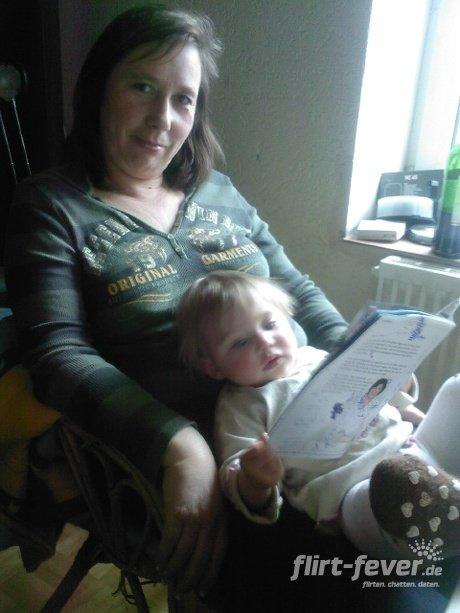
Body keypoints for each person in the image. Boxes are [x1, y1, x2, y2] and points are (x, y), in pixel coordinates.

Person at [3, 4, 353, 606]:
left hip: (302, 425)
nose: (162, 120)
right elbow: (57, 356)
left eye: (183, 99)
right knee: (341, 577)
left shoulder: (218, 191)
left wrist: (364, 364)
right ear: (99, 89)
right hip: (170, 465)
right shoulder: (51, 206)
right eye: (142, 87)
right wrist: (181, 445)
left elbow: (300, 293)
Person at [176, 270, 460, 560]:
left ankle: (446, 500)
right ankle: (445, 516)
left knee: (456, 389)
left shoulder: (317, 357)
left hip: (412, 448)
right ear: (213, 367)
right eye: (240, 342)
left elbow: (377, 391)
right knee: (396, 480)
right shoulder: (241, 406)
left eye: (270, 324)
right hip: (357, 497)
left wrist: (400, 382)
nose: (265, 342)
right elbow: (236, 475)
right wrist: (255, 480)